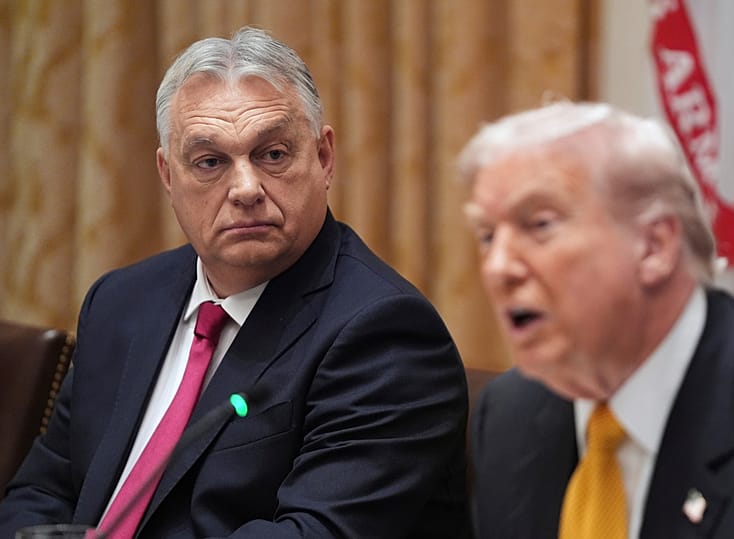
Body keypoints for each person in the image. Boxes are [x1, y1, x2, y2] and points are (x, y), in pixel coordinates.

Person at [0, 26, 469, 538]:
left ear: (324, 157)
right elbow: (42, 493)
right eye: (209, 162)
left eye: (273, 155)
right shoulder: (120, 302)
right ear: (167, 176)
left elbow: (314, 533)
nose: (245, 189)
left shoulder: (385, 334)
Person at [458, 101, 734, 538]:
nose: (497, 266)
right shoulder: (509, 415)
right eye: (488, 235)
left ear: (654, 246)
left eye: (540, 224)